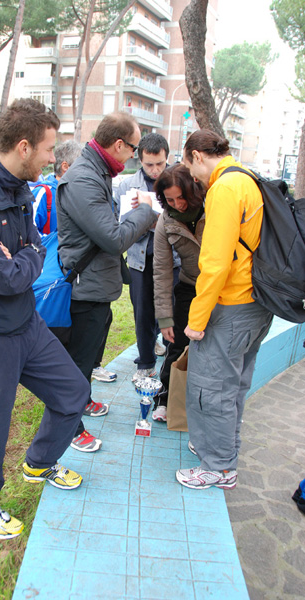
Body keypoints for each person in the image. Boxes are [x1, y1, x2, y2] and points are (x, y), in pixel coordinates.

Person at [0, 99, 91, 540]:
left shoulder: (20, 191)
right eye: (48, 149)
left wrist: (24, 254)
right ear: (24, 147)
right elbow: (4, 278)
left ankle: (39, 463)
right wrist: (26, 256)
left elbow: (34, 249)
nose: (53, 158)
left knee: (73, 392)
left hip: (28, 325)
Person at [176, 129, 273, 491]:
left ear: (198, 155)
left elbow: (215, 263)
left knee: (212, 387)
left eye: (190, 165)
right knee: (232, 386)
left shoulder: (225, 188)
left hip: (231, 305)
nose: (193, 176)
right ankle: (221, 450)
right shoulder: (248, 179)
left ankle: (218, 467)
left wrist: (196, 322)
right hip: (257, 304)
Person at [57, 112, 157, 452]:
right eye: (132, 147)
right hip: (84, 289)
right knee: (77, 363)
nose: (133, 155)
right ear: (118, 144)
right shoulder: (84, 178)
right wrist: (147, 210)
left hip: (96, 285)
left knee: (85, 358)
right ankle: (70, 428)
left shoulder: (96, 171)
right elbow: (113, 239)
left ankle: (81, 402)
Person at [31, 140, 118, 385]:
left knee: (96, 325)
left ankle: (89, 369)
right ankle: (68, 388)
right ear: (66, 166)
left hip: (82, 278)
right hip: (57, 278)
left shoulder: (87, 191)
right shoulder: (44, 193)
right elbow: (31, 237)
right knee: (65, 335)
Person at [114, 134, 174, 382]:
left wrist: (156, 219)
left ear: (167, 158)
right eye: (149, 164)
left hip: (173, 261)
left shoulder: (178, 179)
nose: (155, 169)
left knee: (171, 312)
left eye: (160, 163)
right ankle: (146, 362)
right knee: (142, 313)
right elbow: (120, 225)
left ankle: (171, 364)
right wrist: (143, 220)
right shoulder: (128, 186)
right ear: (139, 159)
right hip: (140, 259)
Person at [152, 164, 205, 422]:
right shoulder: (166, 219)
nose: (177, 204)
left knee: (212, 350)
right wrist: (164, 318)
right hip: (189, 287)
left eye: (181, 197)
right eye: (169, 199)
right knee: (177, 343)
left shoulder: (212, 206)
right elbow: (161, 271)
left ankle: (203, 406)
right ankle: (164, 397)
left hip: (220, 290)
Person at [31, 140, 82, 234]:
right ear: (65, 167)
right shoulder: (43, 193)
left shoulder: (78, 195)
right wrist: (55, 243)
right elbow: (28, 233)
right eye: (81, 167)